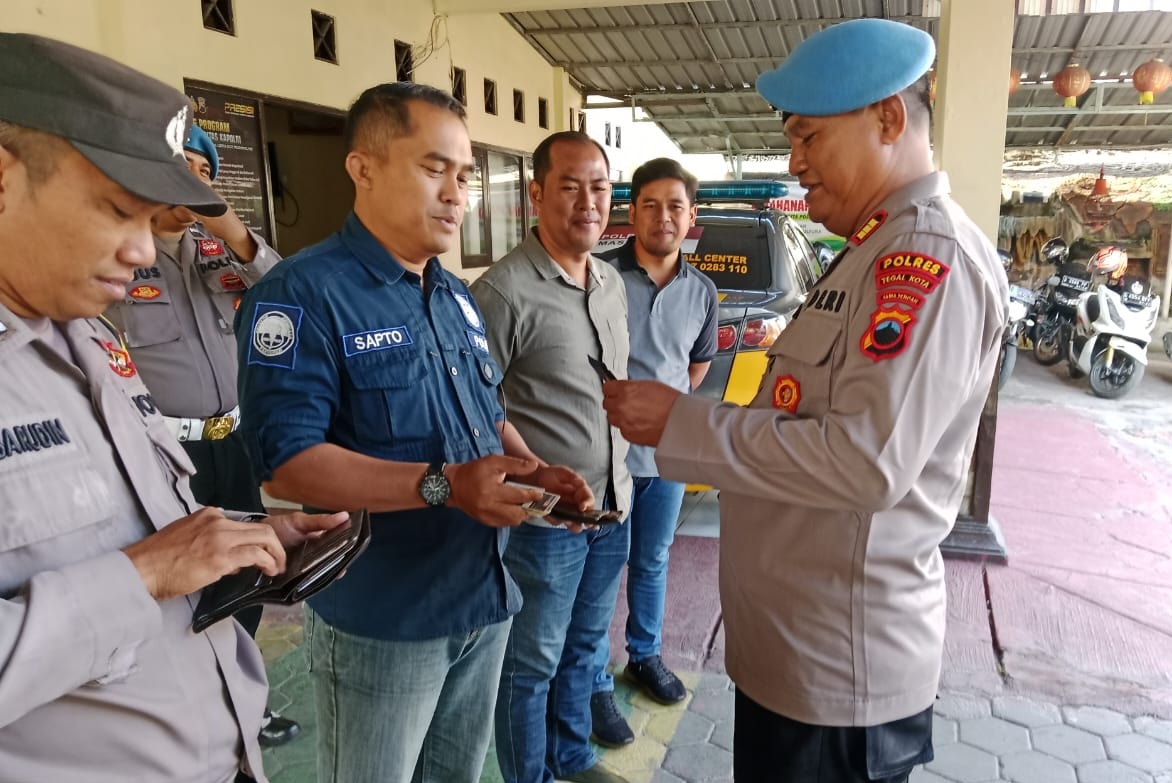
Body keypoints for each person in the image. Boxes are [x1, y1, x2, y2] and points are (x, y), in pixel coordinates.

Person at [601, 19, 1008, 783]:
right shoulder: (870, 251)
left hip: (838, 677)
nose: (794, 162)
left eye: (809, 137)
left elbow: (866, 463)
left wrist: (682, 421)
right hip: (797, 656)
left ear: (887, 119)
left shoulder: (924, 259)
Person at [0, 32, 347, 783]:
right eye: (119, 210)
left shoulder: (86, 336)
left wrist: (242, 541)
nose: (143, 250)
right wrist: (145, 574)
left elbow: (131, 530)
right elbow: (141, 570)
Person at [234, 83, 592, 783]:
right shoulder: (301, 294)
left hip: (481, 596)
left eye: (464, 175)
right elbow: (287, 466)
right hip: (384, 619)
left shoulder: (453, 293)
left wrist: (531, 467)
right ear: (362, 168)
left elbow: (485, 412)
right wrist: (445, 484)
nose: (457, 194)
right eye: (435, 169)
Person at [102, 124, 299, 747]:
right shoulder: (120, 252)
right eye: (176, 167)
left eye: (201, 170)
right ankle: (190, 714)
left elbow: (294, 293)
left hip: (233, 443)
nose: (188, 182)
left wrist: (231, 230)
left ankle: (246, 703)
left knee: (247, 574)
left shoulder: (223, 254)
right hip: (162, 451)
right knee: (181, 585)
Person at [470, 131, 633, 783]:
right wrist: (533, 482)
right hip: (545, 526)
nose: (589, 201)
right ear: (536, 193)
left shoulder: (611, 282)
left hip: (612, 507)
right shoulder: (502, 292)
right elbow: (476, 409)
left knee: (585, 647)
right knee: (531, 663)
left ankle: (572, 755)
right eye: (570, 185)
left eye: (599, 186)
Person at [589, 158, 718, 746]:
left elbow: (697, 362)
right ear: (631, 210)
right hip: (602, 458)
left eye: (675, 206)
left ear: (691, 217)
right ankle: (592, 680)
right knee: (599, 570)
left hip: (664, 460)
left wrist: (669, 410)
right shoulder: (598, 275)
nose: (663, 217)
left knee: (653, 560)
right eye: (650, 204)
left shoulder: (702, 291)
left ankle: (644, 655)